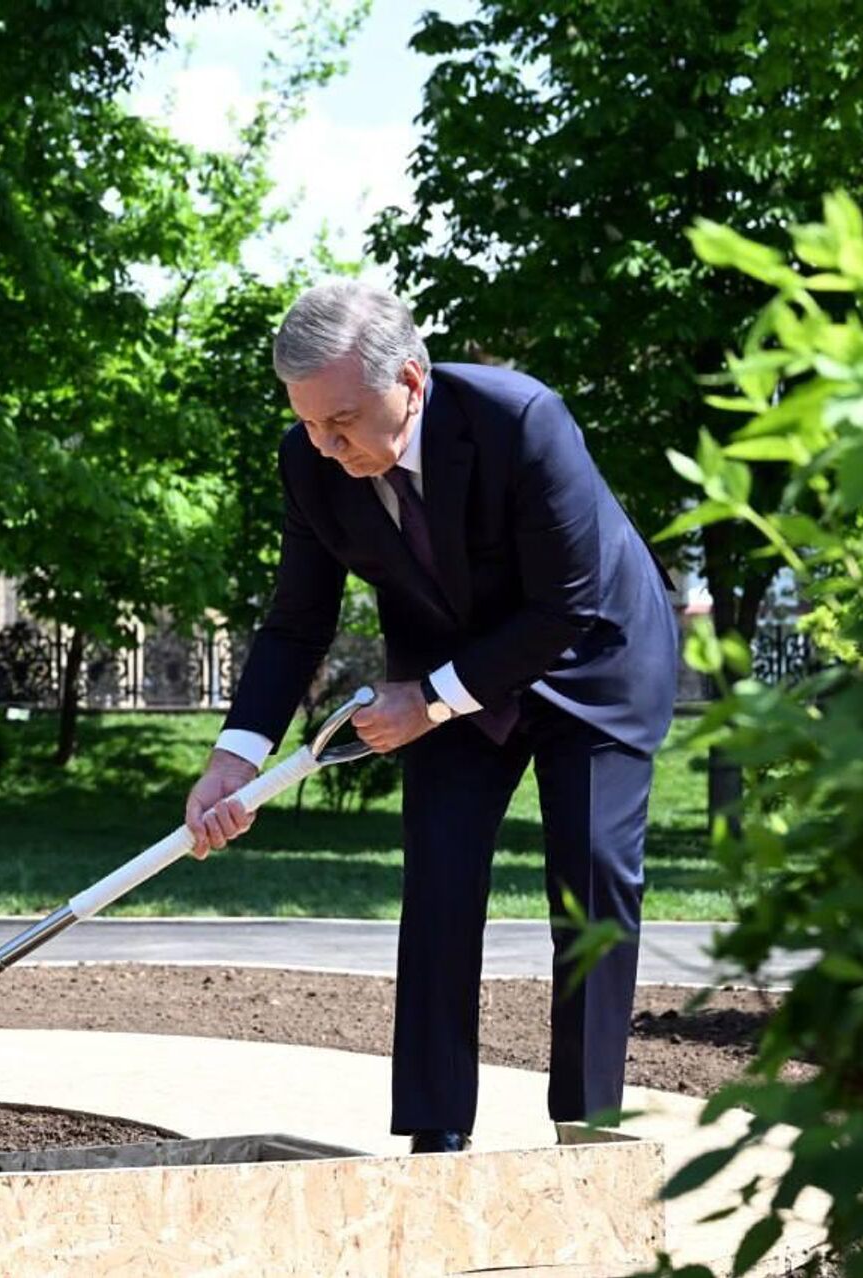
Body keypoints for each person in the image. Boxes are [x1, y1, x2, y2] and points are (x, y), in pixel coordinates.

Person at [184, 279, 677, 1153]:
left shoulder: (522, 420)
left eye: (342, 421)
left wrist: (431, 698)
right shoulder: (310, 464)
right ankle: (435, 1134)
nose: (326, 446)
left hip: (590, 658)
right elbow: (299, 619)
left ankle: (588, 1126)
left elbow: (565, 606)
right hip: (447, 676)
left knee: (591, 874)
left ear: (410, 382)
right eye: (307, 423)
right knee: (440, 882)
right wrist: (236, 757)